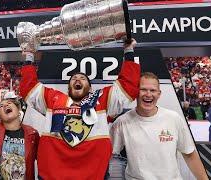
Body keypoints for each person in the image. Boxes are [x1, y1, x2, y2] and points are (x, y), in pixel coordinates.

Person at [19, 39, 140, 179]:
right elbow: (29, 88)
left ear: (90, 88)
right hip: (53, 175)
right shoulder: (53, 99)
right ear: (69, 88)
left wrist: (129, 50)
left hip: (93, 175)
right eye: (74, 78)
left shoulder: (102, 99)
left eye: (82, 78)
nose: (77, 79)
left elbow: (128, 87)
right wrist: (29, 56)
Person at [110, 72, 208, 180]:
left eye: (152, 90)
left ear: (159, 94)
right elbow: (105, 155)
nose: (148, 94)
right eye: (143, 89)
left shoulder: (173, 118)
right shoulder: (121, 123)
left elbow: (189, 154)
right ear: (135, 92)